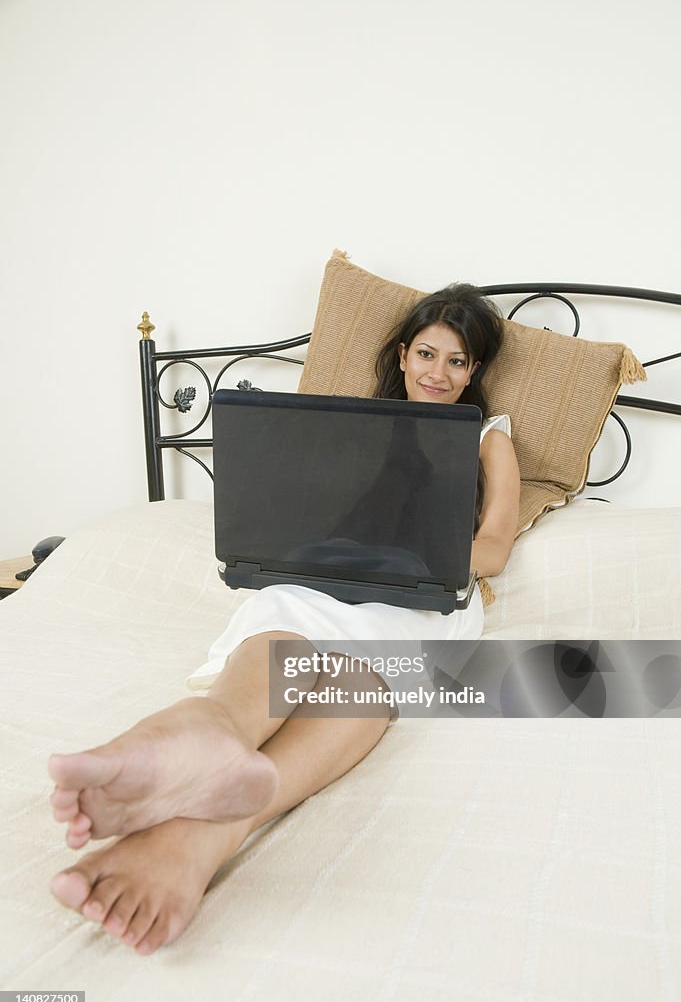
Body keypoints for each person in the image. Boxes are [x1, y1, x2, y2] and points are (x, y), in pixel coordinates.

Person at [47, 284, 520, 955]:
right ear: (401, 353)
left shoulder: (486, 437)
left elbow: (495, 547)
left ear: (475, 372)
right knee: (279, 610)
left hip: (427, 588)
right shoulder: (353, 424)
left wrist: (404, 558)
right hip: (334, 572)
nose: (437, 373)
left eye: (457, 361)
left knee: (363, 677)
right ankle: (211, 731)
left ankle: (203, 832)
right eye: (426, 354)